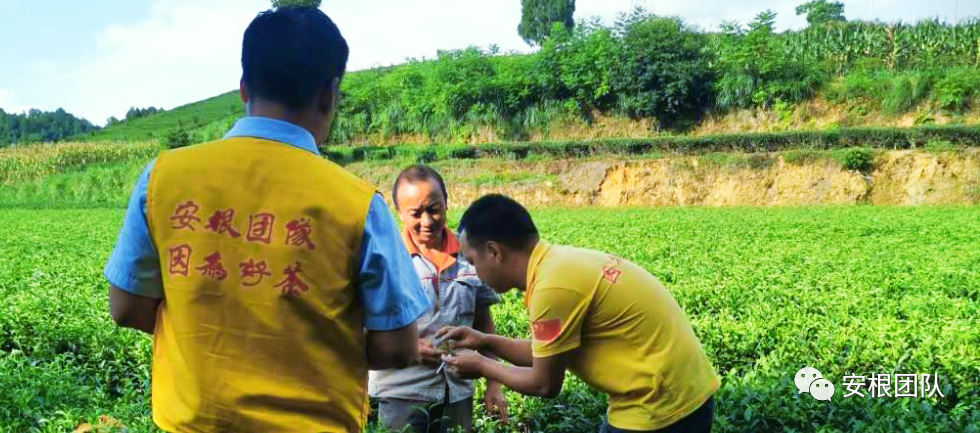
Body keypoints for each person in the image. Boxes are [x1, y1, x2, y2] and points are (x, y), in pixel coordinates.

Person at [103, 7, 429, 432]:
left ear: (243, 87)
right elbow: (399, 346)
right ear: (329, 93)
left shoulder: (164, 176)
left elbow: (126, 307)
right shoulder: (357, 204)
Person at [436, 194, 720, 433]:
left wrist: (482, 365)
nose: (474, 272)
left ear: (494, 251)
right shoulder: (557, 265)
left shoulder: (552, 288)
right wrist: (483, 341)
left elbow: (545, 383)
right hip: (678, 395)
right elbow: (543, 355)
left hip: (662, 407)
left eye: (473, 261)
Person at [369, 165, 508, 433]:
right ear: (399, 213)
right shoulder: (386, 259)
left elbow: (484, 325)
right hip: (402, 392)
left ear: (446, 200)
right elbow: (365, 327)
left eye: (434, 209)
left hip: (457, 392)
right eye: (415, 213)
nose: (427, 221)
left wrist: (494, 383)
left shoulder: (470, 256)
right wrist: (408, 348)